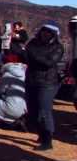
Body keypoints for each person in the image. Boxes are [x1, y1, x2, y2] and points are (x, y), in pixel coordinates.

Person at [22, 21, 64, 151]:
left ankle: (48, 140)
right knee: (32, 110)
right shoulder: (33, 43)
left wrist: (32, 55)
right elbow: (25, 57)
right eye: (43, 31)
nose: (45, 34)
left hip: (48, 83)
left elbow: (48, 63)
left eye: (49, 32)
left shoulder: (58, 47)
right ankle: (41, 134)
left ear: (54, 34)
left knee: (44, 111)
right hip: (31, 80)